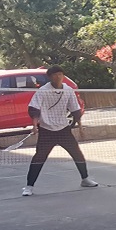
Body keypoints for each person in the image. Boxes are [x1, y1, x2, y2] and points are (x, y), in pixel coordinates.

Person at [22, 65, 97, 196]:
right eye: (55, 75)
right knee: (39, 158)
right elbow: (34, 109)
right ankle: (29, 186)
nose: (58, 77)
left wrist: (80, 127)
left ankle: (85, 179)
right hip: (46, 130)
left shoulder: (68, 90)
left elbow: (75, 109)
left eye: (60, 74)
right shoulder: (43, 91)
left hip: (63, 129)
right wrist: (34, 126)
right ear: (50, 77)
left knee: (77, 153)